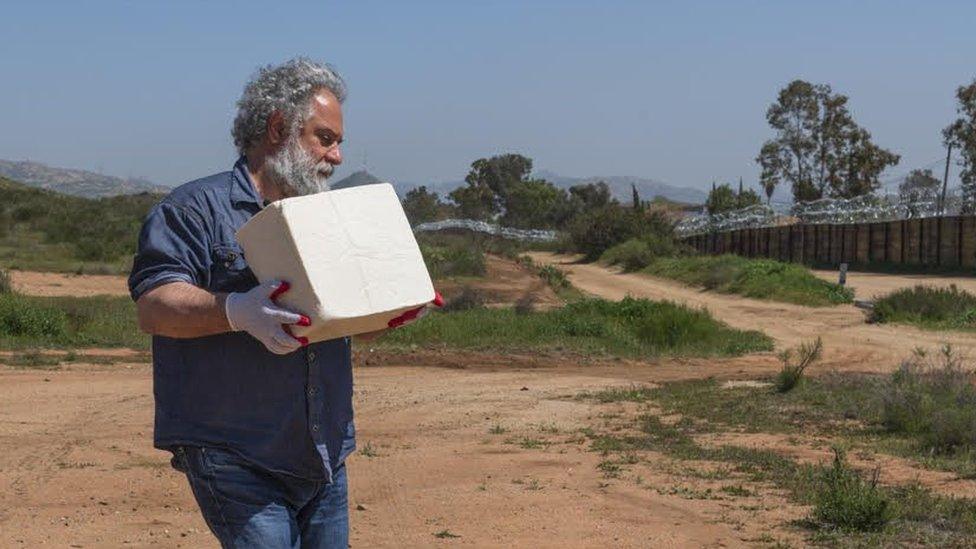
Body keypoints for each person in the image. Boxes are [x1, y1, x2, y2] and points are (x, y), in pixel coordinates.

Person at [129, 57, 396, 548]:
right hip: (233, 452)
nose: (336, 157)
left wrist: (392, 310)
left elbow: (347, 322)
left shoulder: (327, 219)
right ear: (278, 128)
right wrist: (236, 310)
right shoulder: (193, 209)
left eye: (338, 142)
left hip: (323, 452)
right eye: (325, 138)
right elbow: (154, 304)